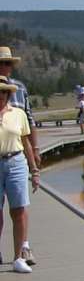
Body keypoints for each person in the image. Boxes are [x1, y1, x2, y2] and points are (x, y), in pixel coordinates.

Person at [0, 47, 39, 265]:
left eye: (7, 63)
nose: (4, 67)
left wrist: (36, 150)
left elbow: (29, 122)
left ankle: (23, 249)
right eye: (0, 63)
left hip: (15, 156)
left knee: (19, 207)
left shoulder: (20, 88)